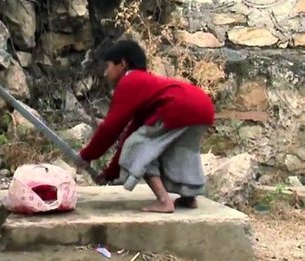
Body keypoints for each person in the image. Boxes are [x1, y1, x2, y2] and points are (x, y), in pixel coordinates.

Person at [78, 40, 215, 213]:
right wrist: (110, 172)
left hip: (179, 107)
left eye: (108, 66)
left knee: (139, 149)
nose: (106, 73)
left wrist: (87, 154)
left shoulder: (130, 80)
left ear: (122, 63)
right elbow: (131, 131)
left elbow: (111, 127)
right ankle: (189, 198)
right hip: (202, 105)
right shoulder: (147, 84)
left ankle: (164, 201)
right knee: (180, 151)